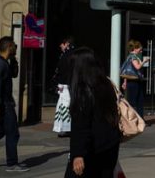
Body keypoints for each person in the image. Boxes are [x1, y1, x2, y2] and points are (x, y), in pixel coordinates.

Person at [65, 47, 122, 178]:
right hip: (110, 146)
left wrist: (78, 154)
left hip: (91, 150)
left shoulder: (83, 90)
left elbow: (81, 126)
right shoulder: (106, 84)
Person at [0, 36, 26, 172]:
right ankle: (12, 164)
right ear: (8, 47)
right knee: (13, 133)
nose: (15, 48)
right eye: (13, 46)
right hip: (3, 104)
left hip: (4, 103)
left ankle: (12, 162)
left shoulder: (4, 62)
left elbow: (14, 74)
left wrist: (14, 60)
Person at [53, 37, 76, 136]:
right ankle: (66, 128)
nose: (60, 46)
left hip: (65, 85)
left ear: (66, 44)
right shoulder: (73, 54)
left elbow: (61, 71)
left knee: (64, 106)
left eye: (62, 44)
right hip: (69, 84)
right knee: (65, 106)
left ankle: (66, 128)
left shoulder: (66, 55)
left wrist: (58, 83)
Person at [120, 40, 145, 119]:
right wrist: (144, 61)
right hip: (134, 82)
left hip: (132, 81)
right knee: (135, 101)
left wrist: (125, 81)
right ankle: (133, 119)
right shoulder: (133, 57)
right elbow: (137, 67)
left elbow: (128, 71)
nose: (141, 50)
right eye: (140, 49)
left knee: (137, 100)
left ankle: (138, 119)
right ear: (135, 48)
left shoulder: (129, 57)